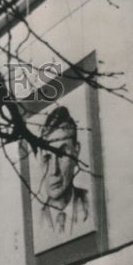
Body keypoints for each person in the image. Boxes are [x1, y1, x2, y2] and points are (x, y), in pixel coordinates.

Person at [34, 105, 90, 251]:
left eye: (62, 155)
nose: (54, 170)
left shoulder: (88, 203)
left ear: (76, 152)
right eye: (47, 158)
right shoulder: (36, 221)